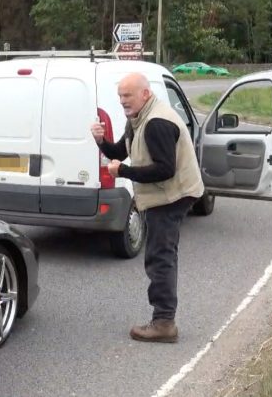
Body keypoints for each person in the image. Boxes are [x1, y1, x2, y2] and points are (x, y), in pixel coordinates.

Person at [90, 72, 204, 343]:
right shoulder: (138, 118)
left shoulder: (156, 123)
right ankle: (164, 318)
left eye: (127, 95)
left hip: (172, 195)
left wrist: (124, 171)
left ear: (145, 94)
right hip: (164, 193)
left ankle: (164, 323)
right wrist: (101, 141)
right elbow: (119, 151)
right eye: (120, 96)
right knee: (161, 254)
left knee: (160, 256)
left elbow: (165, 170)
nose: (122, 101)